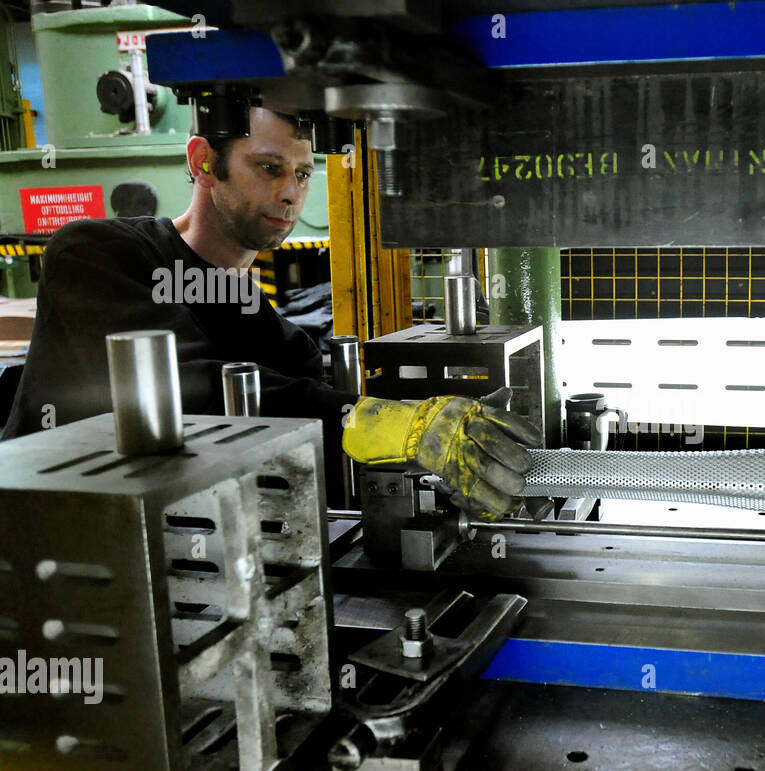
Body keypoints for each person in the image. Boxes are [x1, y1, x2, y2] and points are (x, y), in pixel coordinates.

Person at [1, 107, 538, 519]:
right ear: (202, 163)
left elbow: (305, 381)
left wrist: (443, 415)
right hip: (56, 546)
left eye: (303, 175)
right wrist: (394, 425)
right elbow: (185, 394)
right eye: (268, 167)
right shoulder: (94, 252)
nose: (290, 193)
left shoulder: (240, 302)